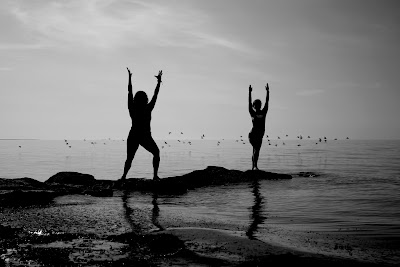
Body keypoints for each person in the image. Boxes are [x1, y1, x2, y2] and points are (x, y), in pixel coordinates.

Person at [120, 67, 163, 182]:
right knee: (156, 153)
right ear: (145, 99)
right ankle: (154, 176)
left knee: (129, 158)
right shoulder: (147, 108)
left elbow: (129, 92)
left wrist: (129, 78)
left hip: (135, 135)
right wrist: (159, 82)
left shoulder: (132, 108)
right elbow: (156, 94)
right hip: (143, 136)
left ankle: (123, 177)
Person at [248, 83, 269, 170]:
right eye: (256, 105)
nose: (258, 106)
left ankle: (253, 167)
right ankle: (255, 166)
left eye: (259, 104)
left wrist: (268, 91)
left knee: (256, 151)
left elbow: (267, 101)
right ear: (253, 106)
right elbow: (249, 102)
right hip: (253, 135)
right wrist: (249, 92)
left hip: (260, 135)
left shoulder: (264, 112)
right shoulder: (252, 112)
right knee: (256, 149)